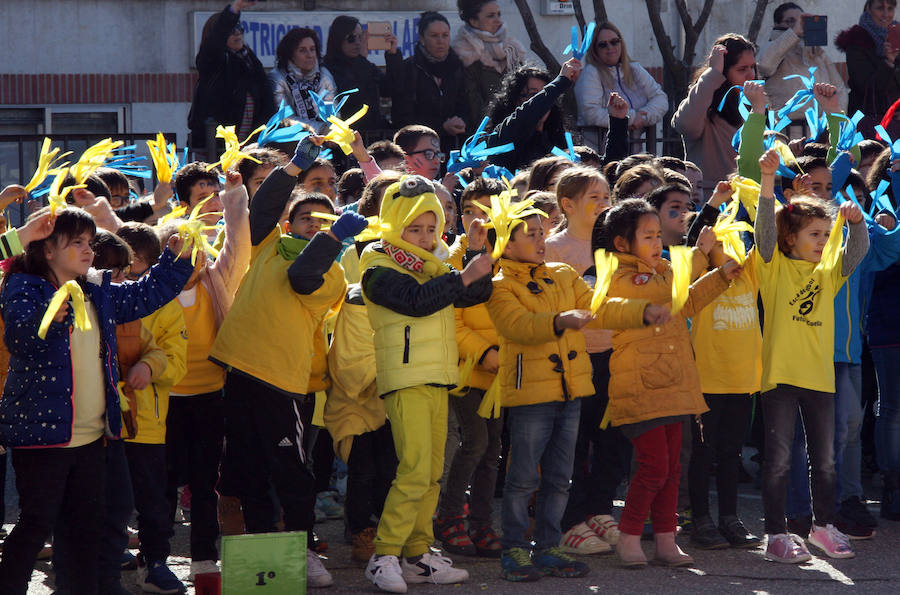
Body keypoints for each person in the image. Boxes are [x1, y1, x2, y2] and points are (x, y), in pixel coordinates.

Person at [0, 207, 194, 594]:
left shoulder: (95, 289)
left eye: (90, 242)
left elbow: (144, 295)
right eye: (76, 243)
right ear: (48, 250)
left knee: (85, 527)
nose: (89, 250)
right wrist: (49, 318)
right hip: (43, 437)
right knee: (36, 523)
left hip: (94, 437)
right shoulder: (23, 285)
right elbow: (20, 338)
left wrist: (176, 261)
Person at [208, 136, 367, 588]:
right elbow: (261, 211)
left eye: (325, 221)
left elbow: (302, 278)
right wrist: (292, 168)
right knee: (248, 470)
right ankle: (260, 551)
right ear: (290, 221)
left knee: (293, 473)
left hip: (284, 383)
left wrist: (334, 239)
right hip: (241, 371)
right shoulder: (266, 245)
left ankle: (301, 546)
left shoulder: (332, 272)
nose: (314, 226)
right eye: (305, 219)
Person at [486, 200, 670, 581]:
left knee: (559, 477)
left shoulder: (563, 273)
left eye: (541, 232)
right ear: (505, 243)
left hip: (571, 390)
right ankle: (515, 550)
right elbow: (516, 325)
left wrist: (640, 312)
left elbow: (598, 306)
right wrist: (558, 320)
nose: (540, 240)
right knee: (523, 479)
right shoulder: (500, 284)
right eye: (531, 234)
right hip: (531, 396)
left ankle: (550, 545)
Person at [359, 175, 492, 593]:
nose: (424, 236)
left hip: (439, 378)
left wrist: (473, 249)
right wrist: (463, 275)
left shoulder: (436, 263)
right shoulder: (376, 263)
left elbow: (476, 294)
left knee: (433, 472)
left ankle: (417, 554)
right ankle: (384, 555)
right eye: (414, 228)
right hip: (405, 379)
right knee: (414, 470)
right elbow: (416, 303)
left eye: (431, 228)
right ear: (392, 223)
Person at [599, 198, 737, 568]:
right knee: (654, 467)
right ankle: (629, 536)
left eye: (658, 234)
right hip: (642, 386)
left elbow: (685, 303)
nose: (657, 242)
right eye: (648, 236)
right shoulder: (623, 275)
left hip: (674, 383)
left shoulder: (660, 270)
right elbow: (661, 293)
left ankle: (665, 539)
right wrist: (697, 255)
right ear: (622, 244)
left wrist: (720, 276)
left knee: (672, 469)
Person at [754, 149, 868, 562]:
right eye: (814, 235)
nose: (822, 242)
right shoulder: (771, 267)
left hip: (820, 378)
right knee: (780, 461)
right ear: (791, 239)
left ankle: (824, 527)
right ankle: (775, 535)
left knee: (826, 462)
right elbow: (764, 231)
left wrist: (855, 226)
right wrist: (768, 181)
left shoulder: (827, 272)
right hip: (781, 378)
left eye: (825, 234)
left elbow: (856, 254)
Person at [545, 168, 626, 555]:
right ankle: (570, 520)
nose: (603, 203)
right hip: (575, 359)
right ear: (568, 204)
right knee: (573, 446)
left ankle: (599, 509)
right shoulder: (553, 248)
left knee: (611, 441)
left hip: (615, 355)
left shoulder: (614, 245)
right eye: (594, 197)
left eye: (606, 195)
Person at [684, 183, 764, 550]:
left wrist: (755, 190)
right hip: (706, 381)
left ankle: (730, 518)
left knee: (731, 453)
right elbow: (689, 252)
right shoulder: (698, 276)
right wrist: (713, 206)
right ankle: (700, 519)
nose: (729, 251)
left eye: (733, 243)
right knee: (703, 453)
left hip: (743, 380)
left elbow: (767, 236)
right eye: (719, 244)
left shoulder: (751, 274)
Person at [434, 178, 505, 559]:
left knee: (493, 448)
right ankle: (449, 517)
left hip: (503, 370)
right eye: (470, 212)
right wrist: (485, 353)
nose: (478, 220)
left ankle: (481, 522)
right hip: (465, 368)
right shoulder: (452, 258)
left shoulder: (513, 255)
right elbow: (453, 321)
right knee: (474, 440)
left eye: (487, 211)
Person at [188, 1, 276, 153]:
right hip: (215, 148)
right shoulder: (212, 61)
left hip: (249, 145)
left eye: (240, 28)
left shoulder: (250, 60)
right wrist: (234, 10)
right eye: (231, 30)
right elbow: (214, 44)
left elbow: (266, 100)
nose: (237, 33)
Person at [673, 34, 758, 189]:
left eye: (752, 67)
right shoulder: (704, 104)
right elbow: (684, 124)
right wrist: (712, 73)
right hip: (712, 200)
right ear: (724, 72)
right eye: (742, 69)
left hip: (751, 198)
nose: (751, 75)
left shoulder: (757, 103)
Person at [387, 12, 470, 154]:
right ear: (422, 39)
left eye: (445, 35)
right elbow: (402, 116)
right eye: (434, 36)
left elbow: (466, 106)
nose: (441, 41)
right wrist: (441, 126)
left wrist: (462, 121)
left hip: (454, 148)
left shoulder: (458, 67)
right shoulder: (409, 68)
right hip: (417, 149)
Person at [574, 21, 668, 140]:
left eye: (614, 42)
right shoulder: (591, 73)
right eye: (603, 44)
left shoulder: (634, 68)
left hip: (634, 148)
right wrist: (631, 118)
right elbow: (590, 114)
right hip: (600, 149)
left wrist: (644, 116)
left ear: (621, 43)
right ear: (595, 49)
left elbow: (661, 99)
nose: (610, 47)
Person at [486, 59, 581, 172]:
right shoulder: (503, 135)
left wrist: (608, 116)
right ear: (515, 101)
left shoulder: (558, 142)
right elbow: (529, 112)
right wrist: (561, 82)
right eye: (533, 94)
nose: (542, 101)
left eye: (543, 94)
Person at [757, 3, 849, 119]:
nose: (797, 24)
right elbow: (764, 66)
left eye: (801, 20)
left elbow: (839, 89)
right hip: (783, 131)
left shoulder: (818, 54)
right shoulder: (772, 48)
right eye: (790, 21)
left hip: (819, 131)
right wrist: (794, 32)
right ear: (776, 24)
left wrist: (834, 119)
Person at [452, 0, 526, 127]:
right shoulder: (464, 54)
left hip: (517, 127)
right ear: (473, 21)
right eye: (491, 16)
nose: (498, 20)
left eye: (498, 14)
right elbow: (473, 107)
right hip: (484, 133)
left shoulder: (512, 48)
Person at [836, 0, 900, 135]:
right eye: (880, 8)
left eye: (890, 8)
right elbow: (866, 87)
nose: (886, 14)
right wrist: (888, 62)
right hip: (871, 122)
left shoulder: (897, 36)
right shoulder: (857, 40)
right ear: (869, 9)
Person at [323, 16, 396, 132]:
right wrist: (361, 62)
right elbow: (352, 98)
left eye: (360, 37)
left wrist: (392, 55)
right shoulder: (326, 68)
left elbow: (389, 89)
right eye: (351, 38)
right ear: (338, 39)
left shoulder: (364, 64)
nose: (357, 43)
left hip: (373, 136)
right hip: (347, 138)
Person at [270, 27, 337, 134]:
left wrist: (334, 131)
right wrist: (320, 129)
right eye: (302, 50)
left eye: (312, 49)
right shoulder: (277, 78)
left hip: (326, 139)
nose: (309, 55)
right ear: (290, 54)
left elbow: (334, 114)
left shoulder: (324, 75)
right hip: (289, 141)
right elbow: (284, 119)